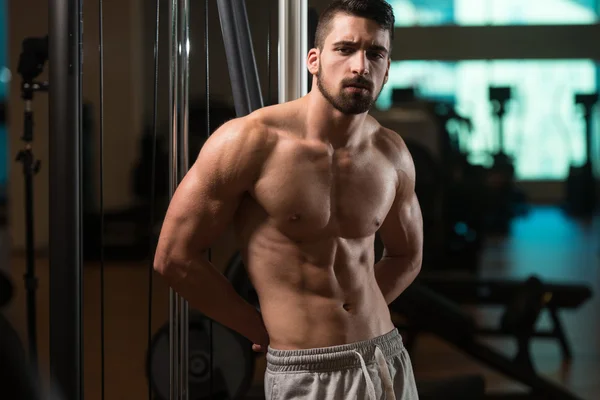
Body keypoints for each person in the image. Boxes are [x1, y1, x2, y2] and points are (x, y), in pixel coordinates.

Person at [154, 0, 423, 398]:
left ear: (387, 68)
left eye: (375, 53)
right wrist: (258, 327)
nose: (360, 66)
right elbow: (174, 258)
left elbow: (406, 256)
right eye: (345, 48)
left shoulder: (391, 152)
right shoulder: (250, 142)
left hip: (386, 358)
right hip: (307, 372)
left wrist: (355, 312)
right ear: (314, 60)